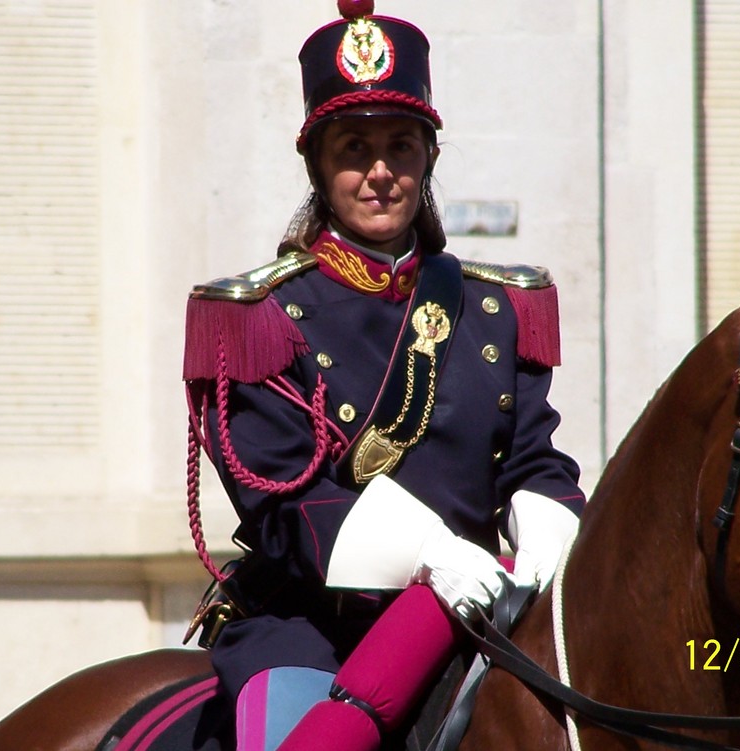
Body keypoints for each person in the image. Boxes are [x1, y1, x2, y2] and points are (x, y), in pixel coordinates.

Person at [181, 2, 586, 749]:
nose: (379, 172)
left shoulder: (496, 308)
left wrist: (544, 542)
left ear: (428, 158)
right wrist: (428, 553)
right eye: (354, 147)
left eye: (401, 146)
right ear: (318, 164)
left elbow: (535, 459)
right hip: (313, 629)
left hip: (476, 613)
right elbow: (282, 503)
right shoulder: (260, 316)